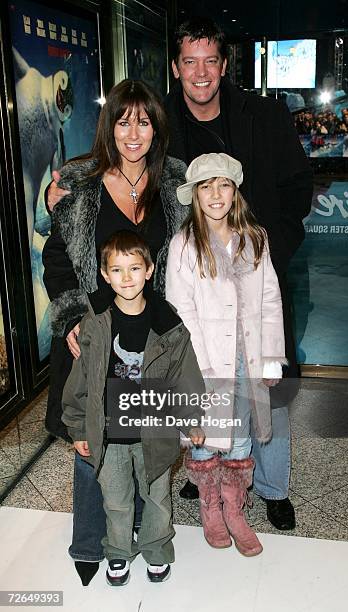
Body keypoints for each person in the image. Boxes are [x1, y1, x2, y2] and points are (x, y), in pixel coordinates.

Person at [164, 17, 313, 530]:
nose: (201, 73)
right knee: (207, 379)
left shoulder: (265, 114)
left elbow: (297, 184)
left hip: (254, 273)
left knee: (267, 386)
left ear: (223, 66)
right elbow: (123, 157)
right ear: (177, 67)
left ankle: (272, 489)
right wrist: (67, 184)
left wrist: (273, 253)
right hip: (198, 283)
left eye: (210, 61)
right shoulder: (162, 120)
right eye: (190, 61)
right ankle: (207, 471)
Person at [42, 79, 188, 585]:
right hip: (92, 340)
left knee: (144, 447)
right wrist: (70, 319)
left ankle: (149, 541)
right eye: (123, 121)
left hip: (149, 345)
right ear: (110, 126)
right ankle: (91, 544)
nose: (133, 132)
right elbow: (56, 260)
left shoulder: (175, 185)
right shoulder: (79, 185)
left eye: (143, 121)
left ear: (156, 128)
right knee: (90, 441)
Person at [62, 230, 205, 585]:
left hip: (154, 431)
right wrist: (79, 428)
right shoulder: (95, 322)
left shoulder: (168, 323)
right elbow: (81, 380)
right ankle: (119, 552)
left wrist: (191, 419)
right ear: (105, 275)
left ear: (150, 270)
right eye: (117, 270)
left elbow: (184, 374)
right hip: (109, 433)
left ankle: (156, 549)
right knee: (116, 500)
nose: (126, 278)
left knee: (156, 498)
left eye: (134, 268)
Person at [166, 153, 286, 555]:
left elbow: (270, 297)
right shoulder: (183, 245)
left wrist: (271, 354)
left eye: (223, 185)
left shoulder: (256, 238)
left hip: (246, 359)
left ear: (235, 192)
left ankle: (236, 510)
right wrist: (192, 373)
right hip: (204, 363)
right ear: (195, 194)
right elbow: (181, 313)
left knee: (239, 439)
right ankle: (211, 509)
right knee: (206, 439)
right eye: (206, 186)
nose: (215, 194)